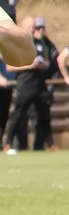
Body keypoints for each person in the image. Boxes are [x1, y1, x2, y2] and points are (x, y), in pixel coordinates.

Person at [3, 17, 55, 153]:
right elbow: (9, 67)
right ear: (23, 27)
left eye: (34, 26)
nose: (33, 29)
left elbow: (48, 63)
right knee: (18, 115)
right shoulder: (16, 43)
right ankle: (8, 142)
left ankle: (45, 145)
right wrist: (29, 65)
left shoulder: (41, 43)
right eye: (30, 26)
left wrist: (42, 65)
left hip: (40, 84)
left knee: (44, 115)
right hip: (25, 83)